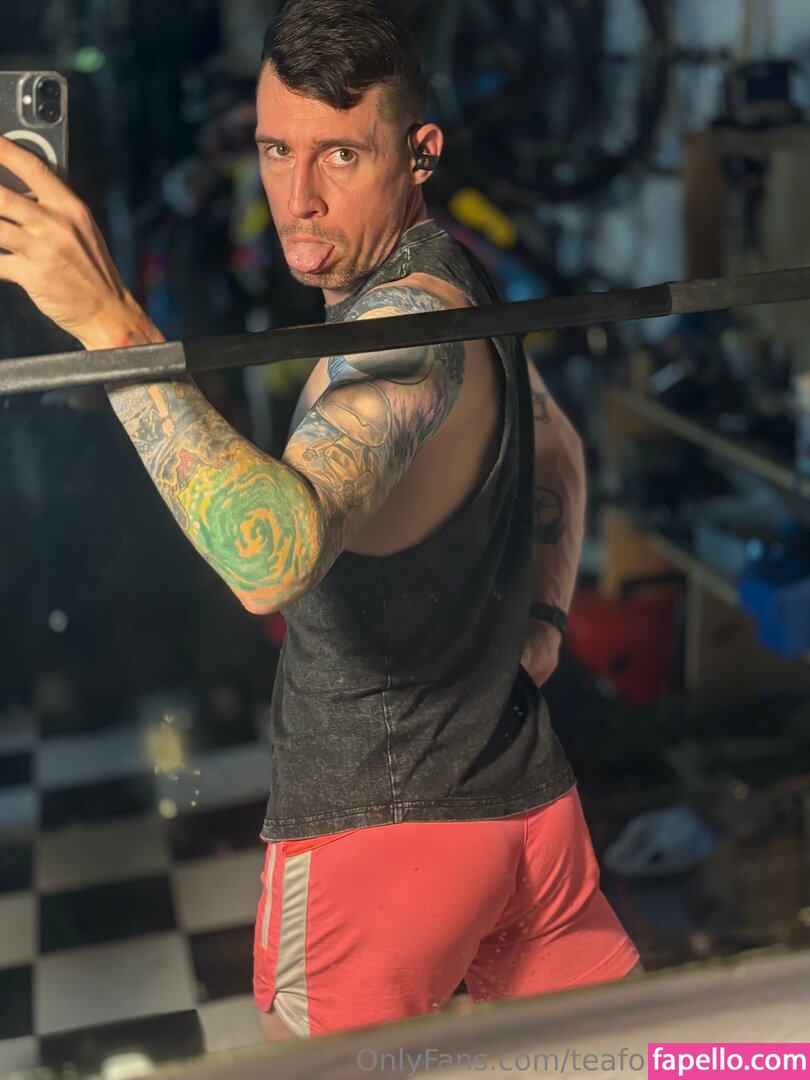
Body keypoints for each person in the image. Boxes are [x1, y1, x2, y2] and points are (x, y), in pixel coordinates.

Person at [0, 0, 639, 1040]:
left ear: (420, 152)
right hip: (525, 811)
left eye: (341, 154)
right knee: (632, 1060)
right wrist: (544, 622)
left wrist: (107, 323)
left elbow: (273, 555)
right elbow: (557, 443)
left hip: (378, 842)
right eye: (275, 150)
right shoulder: (454, 276)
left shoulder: (403, 326)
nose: (298, 198)